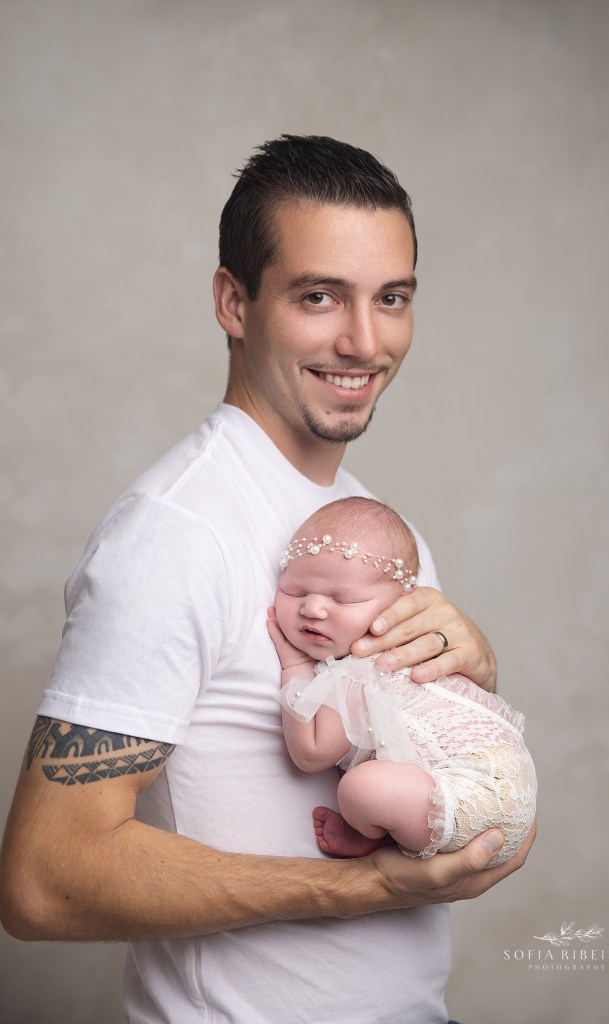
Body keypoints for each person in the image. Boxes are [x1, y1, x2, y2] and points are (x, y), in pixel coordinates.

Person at [0, 135, 534, 1024]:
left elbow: (422, 765)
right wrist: (358, 890)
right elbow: (43, 883)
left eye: (391, 298)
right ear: (233, 302)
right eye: (319, 296)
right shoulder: (176, 532)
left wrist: (477, 681)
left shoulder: (372, 524)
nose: (364, 341)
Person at [269, 496, 537, 866]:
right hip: (505, 780)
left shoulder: (360, 671)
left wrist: (294, 668)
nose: (312, 608)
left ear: (399, 605)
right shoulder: (419, 645)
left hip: (469, 792)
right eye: (294, 591)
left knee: (361, 789)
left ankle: (375, 834)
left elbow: (311, 753)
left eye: (342, 599)